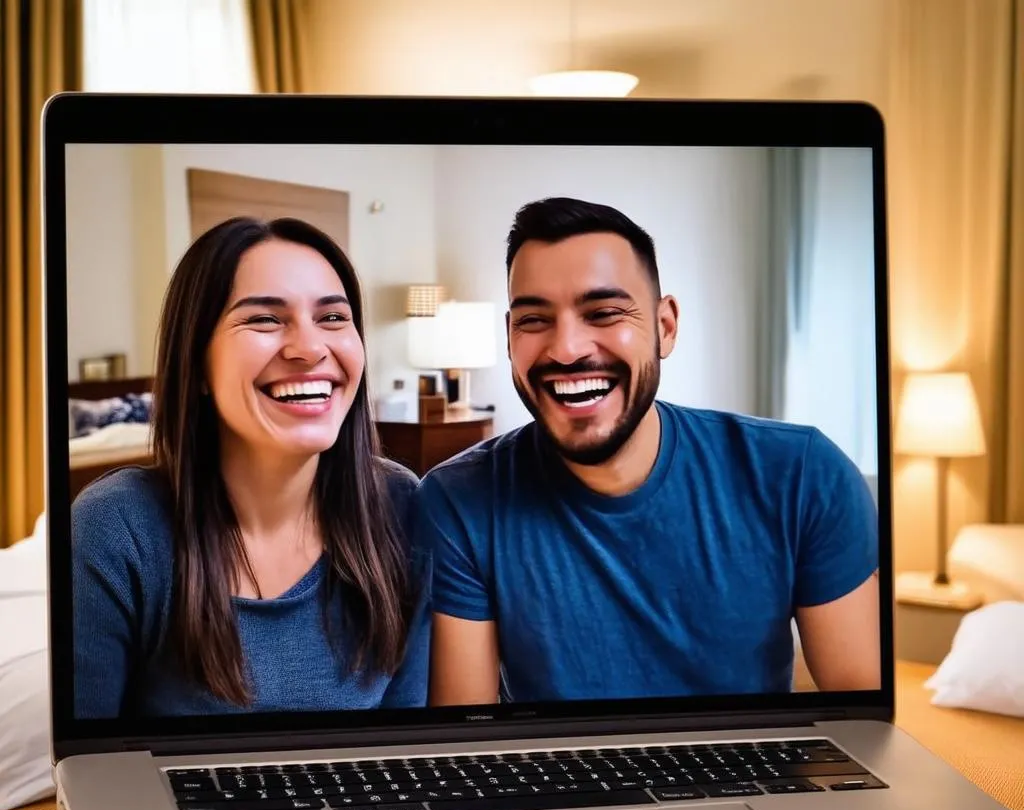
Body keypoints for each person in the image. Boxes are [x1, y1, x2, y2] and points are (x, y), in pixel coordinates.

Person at [416, 196, 879, 705]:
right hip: (558, 780)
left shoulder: (804, 475)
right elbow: (468, 741)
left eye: (604, 312)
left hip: (751, 778)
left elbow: (859, 723)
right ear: (509, 337)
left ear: (665, 327)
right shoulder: (457, 500)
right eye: (534, 320)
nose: (567, 349)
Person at [72, 216, 429, 716]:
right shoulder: (116, 526)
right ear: (196, 364)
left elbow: (405, 741)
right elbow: (88, 768)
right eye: (264, 319)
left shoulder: (402, 506)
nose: (309, 349)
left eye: (332, 318)